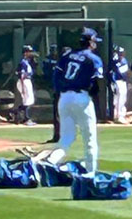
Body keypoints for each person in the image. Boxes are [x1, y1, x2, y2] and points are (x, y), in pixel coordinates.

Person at [48, 27, 104, 173]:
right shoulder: (94, 59)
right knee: (90, 139)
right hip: (81, 97)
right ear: (90, 43)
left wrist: (60, 92)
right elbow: (98, 83)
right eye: (94, 42)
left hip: (64, 97)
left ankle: (49, 163)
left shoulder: (67, 55)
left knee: (66, 138)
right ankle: (91, 174)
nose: (95, 44)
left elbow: (56, 77)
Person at [42, 44, 60, 142]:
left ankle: (59, 136)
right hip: (56, 87)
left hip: (61, 89)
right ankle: (58, 136)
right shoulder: (49, 59)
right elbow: (46, 71)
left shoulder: (62, 61)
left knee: (59, 114)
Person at [15, 45, 36, 126]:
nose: (31, 53)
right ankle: (26, 119)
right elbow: (22, 75)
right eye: (29, 52)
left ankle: (16, 113)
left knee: (29, 100)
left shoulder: (28, 62)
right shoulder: (23, 62)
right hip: (24, 81)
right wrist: (23, 87)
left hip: (26, 81)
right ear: (25, 53)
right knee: (27, 100)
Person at [110, 45, 129, 124]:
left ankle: (119, 116)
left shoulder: (124, 60)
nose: (121, 54)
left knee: (122, 99)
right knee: (118, 99)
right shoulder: (114, 60)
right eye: (120, 53)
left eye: (122, 53)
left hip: (122, 81)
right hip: (117, 81)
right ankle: (119, 116)